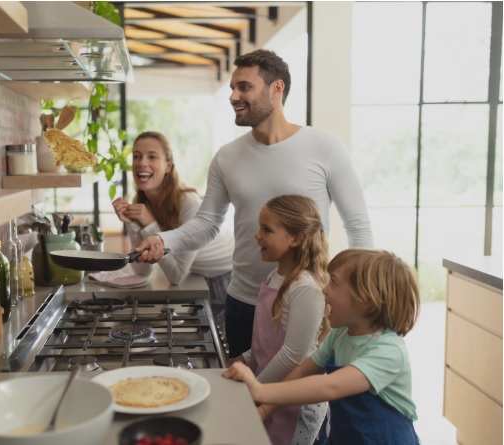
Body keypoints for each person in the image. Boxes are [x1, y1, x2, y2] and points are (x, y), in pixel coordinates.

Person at [131, 48, 373, 358]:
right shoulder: (227, 157)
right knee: (244, 399)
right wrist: (162, 240)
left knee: (304, 402)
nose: (233, 95)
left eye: (244, 86)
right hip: (244, 301)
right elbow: (206, 224)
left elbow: (358, 225)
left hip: (308, 303)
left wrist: (357, 291)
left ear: (276, 89)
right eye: (232, 87)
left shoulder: (325, 147)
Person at [223, 248, 422, 445]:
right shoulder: (340, 334)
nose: (324, 289)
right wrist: (265, 409)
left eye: (333, 283)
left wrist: (259, 390)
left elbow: (331, 386)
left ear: (366, 301)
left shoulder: (388, 351)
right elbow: (303, 372)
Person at [233, 195, 330, 445]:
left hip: (295, 402)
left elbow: (293, 355)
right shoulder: (275, 276)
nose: (257, 235)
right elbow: (266, 338)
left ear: (295, 239)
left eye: (267, 229)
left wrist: (256, 388)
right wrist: (244, 358)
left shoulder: (305, 288)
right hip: (271, 390)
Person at [112, 131, 234, 326]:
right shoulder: (144, 204)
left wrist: (150, 225)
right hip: (197, 276)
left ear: (168, 166)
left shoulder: (188, 203)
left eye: (152, 156)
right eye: (137, 156)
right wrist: (132, 223)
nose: (142, 162)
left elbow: (176, 276)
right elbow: (141, 271)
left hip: (225, 279)